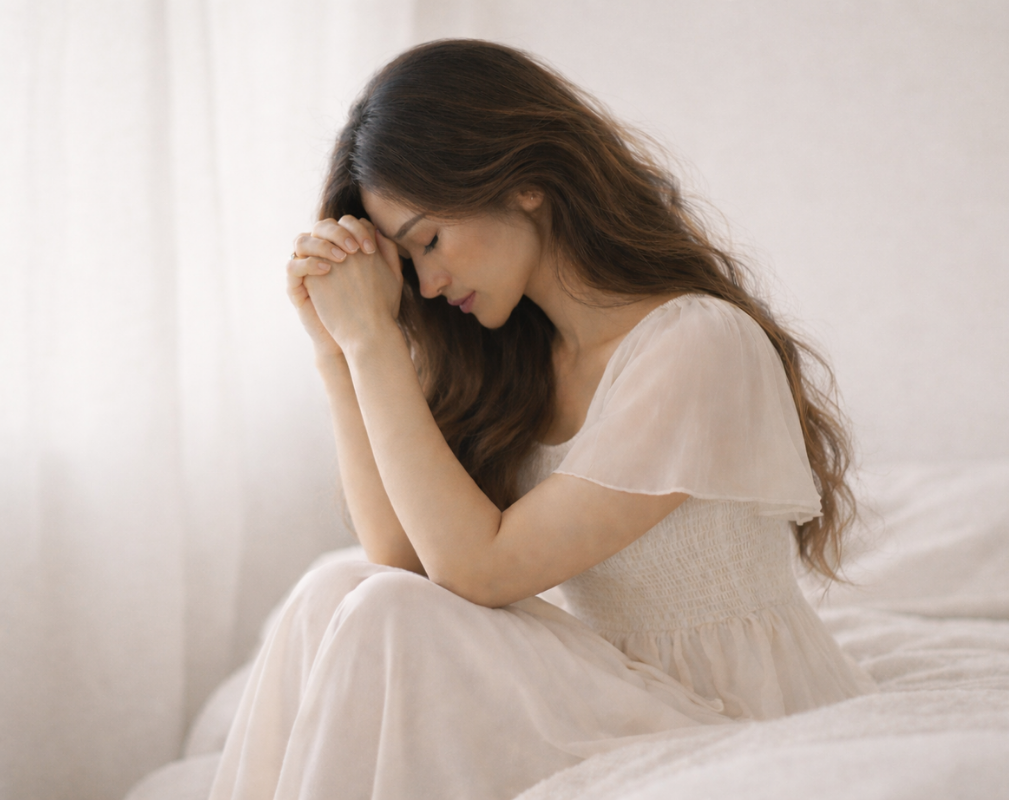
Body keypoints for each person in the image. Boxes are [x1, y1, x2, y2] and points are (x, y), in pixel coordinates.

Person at [209, 39, 876, 800]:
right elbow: (397, 557)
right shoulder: (524, 358)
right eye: (407, 261)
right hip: (611, 685)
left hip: (735, 716)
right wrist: (339, 353)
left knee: (379, 612)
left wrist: (374, 344)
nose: (426, 284)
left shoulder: (698, 344)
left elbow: (478, 571)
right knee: (336, 590)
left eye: (429, 240)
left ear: (524, 184)